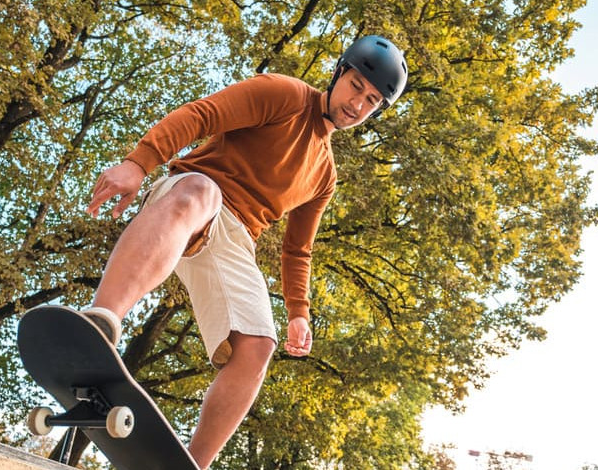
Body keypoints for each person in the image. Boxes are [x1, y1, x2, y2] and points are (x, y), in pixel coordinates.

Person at [81, 35, 407, 469]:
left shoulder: (325, 175)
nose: (357, 105)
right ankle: (100, 323)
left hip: (237, 241)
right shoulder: (285, 94)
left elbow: (298, 249)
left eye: (371, 102)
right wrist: (139, 163)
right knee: (200, 191)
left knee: (257, 346)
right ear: (338, 73)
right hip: (189, 194)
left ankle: (192, 464)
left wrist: (299, 310)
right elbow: (204, 114)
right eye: (356, 87)